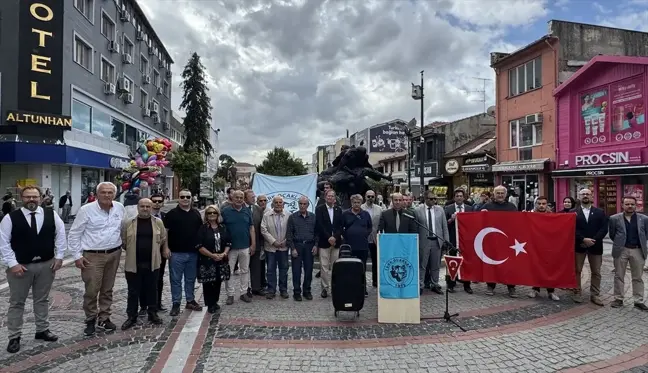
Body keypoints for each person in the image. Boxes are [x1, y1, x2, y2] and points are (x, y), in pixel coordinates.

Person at [0, 186, 66, 353]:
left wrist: (59, 257)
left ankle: (42, 329)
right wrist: (12, 263)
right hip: (21, 267)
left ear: (41, 197)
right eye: (28, 196)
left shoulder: (51, 214)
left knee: (42, 299)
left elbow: (60, 234)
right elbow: (3, 243)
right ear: (22, 198)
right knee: (17, 302)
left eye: (35, 197)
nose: (32, 200)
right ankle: (14, 336)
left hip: (46, 265)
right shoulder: (10, 218)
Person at [68, 182, 125, 336]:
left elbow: (122, 228)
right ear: (97, 194)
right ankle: (90, 318)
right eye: (103, 192)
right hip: (92, 255)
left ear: (114, 194)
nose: (107, 195)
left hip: (114, 253)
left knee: (108, 288)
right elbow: (74, 233)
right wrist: (77, 256)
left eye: (110, 192)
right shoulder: (86, 210)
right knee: (92, 289)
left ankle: (104, 317)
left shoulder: (119, 207)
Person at [120, 198, 167, 330]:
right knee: (133, 291)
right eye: (142, 206)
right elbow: (124, 241)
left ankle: (152, 313)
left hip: (152, 263)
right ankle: (131, 316)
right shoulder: (129, 223)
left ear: (151, 207)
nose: (145, 209)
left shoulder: (158, 223)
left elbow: (163, 238)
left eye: (148, 206)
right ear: (138, 207)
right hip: (133, 263)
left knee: (152, 289)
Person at [163, 189, 204, 316]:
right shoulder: (171, 214)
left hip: (193, 253)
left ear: (192, 198)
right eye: (182, 197)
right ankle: (176, 303)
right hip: (176, 253)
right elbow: (165, 232)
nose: (185, 199)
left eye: (188, 196)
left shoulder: (196, 213)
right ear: (178, 198)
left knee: (190, 279)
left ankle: (190, 300)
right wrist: (166, 248)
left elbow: (200, 232)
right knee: (175, 279)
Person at [608, 196, 648, 311]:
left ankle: (638, 300)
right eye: (627, 204)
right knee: (619, 275)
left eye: (632, 204)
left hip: (638, 250)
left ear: (636, 205)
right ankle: (618, 298)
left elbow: (646, 234)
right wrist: (620, 243)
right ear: (622, 205)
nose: (630, 206)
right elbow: (612, 234)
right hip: (621, 250)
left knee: (638, 277)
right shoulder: (614, 218)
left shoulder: (644, 219)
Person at [573, 188, 608, 306]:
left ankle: (595, 294)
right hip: (579, 245)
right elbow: (571, 229)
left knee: (596, 272)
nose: (585, 196)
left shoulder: (600, 212)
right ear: (579, 196)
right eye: (583, 194)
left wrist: (593, 240)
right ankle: (577, 292)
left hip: (595, 245)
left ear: (592, 196)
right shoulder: (573, 212)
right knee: (577, 270)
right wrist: (582, 239)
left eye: (588, 194)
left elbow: (604, 228)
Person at [481, 185, 518, 297]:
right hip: (492, 240)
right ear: (494, 194)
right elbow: (479, 221)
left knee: (509, 265)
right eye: (498, 193)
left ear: (505, 195)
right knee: (492, 263)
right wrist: (481, 213)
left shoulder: (512, 207)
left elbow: (518, 222)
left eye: (502, 193)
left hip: (508, 241)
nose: (500, 195)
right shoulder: (487, 206)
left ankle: (511, 287)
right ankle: (490, 285)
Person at [221, 190, 255, 305]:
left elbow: (251, 228)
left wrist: (253, 244)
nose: (239, 199)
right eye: (237, 197)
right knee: (229, 272)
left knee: (245, 271)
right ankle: (230, 295)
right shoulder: (225, 211)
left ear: (243, 199)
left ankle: (243, 293)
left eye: (241, 197)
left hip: (245, 246)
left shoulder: (247, 211)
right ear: (232, 198)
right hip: (230, 248)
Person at [196, 205, 232, 313]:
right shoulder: (203, 228)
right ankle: (209, 303)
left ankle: (215, 301)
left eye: (214, 213)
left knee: (218, 281)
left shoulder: (223, 227)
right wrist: (212, 255)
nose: (212, 215)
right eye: (209, 213)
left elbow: (228, 242)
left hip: (221, 259)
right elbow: (199, 245)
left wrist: (224, 253)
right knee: (208, 283)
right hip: (207, 259)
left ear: (218, 214)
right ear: (206, 215)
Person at [415, 191, 448, 295]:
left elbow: (444, 226)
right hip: (424, 241)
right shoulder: (418, 210)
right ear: (425, 199)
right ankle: (420, 285)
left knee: (435, 265)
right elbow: (416, 227)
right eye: (431, 199)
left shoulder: (440, 210)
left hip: (437, 241)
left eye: (435, 198)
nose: (434, 200)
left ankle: (435, 284)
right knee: (422, 265)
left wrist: (445, 240)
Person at [140, 193, 168, 313]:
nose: (157, 203)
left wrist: (166, 248)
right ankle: (143, 305)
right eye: (154, 201)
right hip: (144, 252)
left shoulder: (165, 217)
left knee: (158, 278)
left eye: (159, 201)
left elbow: (166, 235)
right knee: (142, 279)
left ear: (162, 203)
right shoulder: (142, 216)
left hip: (160, 253)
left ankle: (157, 303)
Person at [528, 196, 559, 301]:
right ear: (536, 204)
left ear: (547, 205)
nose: (541, 206)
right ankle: (535, 289)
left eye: (544, 203)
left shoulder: (553, 216)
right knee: (536, 267)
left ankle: (551, 291)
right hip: (535, 246)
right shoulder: (531, 215)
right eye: (539, 203)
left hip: (549, 247)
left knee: (549, 268)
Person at [286, 196, 317, 301]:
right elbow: (289, 234)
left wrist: (316, 245)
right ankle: (297, 292)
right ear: (298, 204)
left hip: (309, 245)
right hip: (297, 246)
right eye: (300, 204)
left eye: (304, 204)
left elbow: (317, 233)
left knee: (308, 270)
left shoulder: (313, 217)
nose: (302, 206)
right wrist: (292, 248)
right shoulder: (293, 217)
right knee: (296, 270)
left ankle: (307, 291)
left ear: (308, 205)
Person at [341, 194, 372, 296]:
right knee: (349, 268)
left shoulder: (366, 214)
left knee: (361, 268)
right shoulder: (345, 214)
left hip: (362, 246)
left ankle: (362, 288)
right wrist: (347, 236)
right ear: (351, 203)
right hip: (349, 246)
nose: (356, 204)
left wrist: (363, 235)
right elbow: (341, 228)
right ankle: (350, 288)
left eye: (358, 202)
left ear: (361, 203)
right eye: (354, 202)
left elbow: (369, 228)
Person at [260, 195, 291, 299]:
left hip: (284, 247)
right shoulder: (266, 215)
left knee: (283, 269)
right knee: (270, 270)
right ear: (272, 204)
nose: (278, 204)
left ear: (283, 204)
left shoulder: (288, 215)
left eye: (280, 202)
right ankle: (271, 290)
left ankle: (283, 290)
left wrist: (285, 241)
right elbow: (263, 230)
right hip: (270, 248)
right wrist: (273, 242)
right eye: (276, 202)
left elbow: (291, 230)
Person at [315, 190, 343, 298]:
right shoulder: (319, 209)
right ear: (325, 197)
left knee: (335, 266)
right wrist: (329, 237)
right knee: (324, 266)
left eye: (332, 196)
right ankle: (325, 288)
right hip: (324, 242)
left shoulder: (339, 210)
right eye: (328, 196)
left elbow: (341, 226)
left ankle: (335, 287)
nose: (330, 198)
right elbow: (319, 225)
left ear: (335, 198)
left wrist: (335, 237)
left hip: (336, 243)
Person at [361, 190, 383, 288]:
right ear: (365, 197)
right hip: (363, 238)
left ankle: (375, 281)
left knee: (376, 261)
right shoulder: (361, 208)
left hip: (375, 238)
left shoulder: (379, 209)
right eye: (368, 196)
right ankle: (362, 282)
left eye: (372, 196)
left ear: (375, 197)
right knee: (363, 261)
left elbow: (381, 224)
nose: (370, 198)